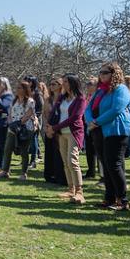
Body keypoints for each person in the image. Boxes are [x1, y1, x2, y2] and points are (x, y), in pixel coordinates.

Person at [86, 62, 130, 211]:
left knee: (114, 165)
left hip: (116, 131)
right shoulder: (101, 91)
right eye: (100, 72)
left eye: (105, 72)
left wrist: (97, 122)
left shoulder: (121, 89)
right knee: (105, 165)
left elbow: (116, 109)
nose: (102, 75)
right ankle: (109, 198)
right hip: (99, 131)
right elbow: (88, 108)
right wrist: (91, 122)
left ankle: (123, 200)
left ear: (114, 74)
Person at [47, 74, 87, 203]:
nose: (63, 84)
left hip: (73, 133)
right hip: (61, 133)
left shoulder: (80, 99)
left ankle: (79, 192)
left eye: (66, 82)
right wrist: (50, 126)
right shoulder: (62, 98)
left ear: (73, 83)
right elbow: (53, 112)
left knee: (72, 160)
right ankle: (71, 190)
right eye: (63, 81)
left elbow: (74, 118)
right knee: (65, 161)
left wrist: (55, 127)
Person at [0, 80, 36, 180]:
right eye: (16, 88)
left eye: (19, 88)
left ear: (25, 89)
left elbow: (28, 114)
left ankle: (23, 173)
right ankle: (5, 171)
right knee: (7, 149)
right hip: (12, 129)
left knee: (23, 151)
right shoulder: (14, 100)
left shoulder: (30, 101)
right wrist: (11, 124)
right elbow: (10, 114)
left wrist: (18, 123)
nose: (17, 90)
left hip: (25, 129)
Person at [42, 78, 63, 184]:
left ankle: (59, 175)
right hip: (49, 127)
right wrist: (47, 128)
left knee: (58, 152)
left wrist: (55, 128)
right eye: (50, 84)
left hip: (60, 128)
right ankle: (49, 175)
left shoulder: (63, 99)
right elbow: (45, 114)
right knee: (49, 151)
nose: (51, 86)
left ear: (60, 85)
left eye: (54, 84)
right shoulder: (48, 99)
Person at [0, 78, 14, 171]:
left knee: (3, 145)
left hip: (3, 123)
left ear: (5, 85)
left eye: (0, 84)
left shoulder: (8, 95)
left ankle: (4, 166)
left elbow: (4, 107)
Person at [83, 78, 100, 179]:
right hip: (87, 125)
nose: (88, 86)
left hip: (96, 125)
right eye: (87, 84)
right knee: (89, 150)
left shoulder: (98, 97)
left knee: (98, 150)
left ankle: (102, 173)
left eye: (90, 84)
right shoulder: (87, 97)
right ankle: (91, 171)